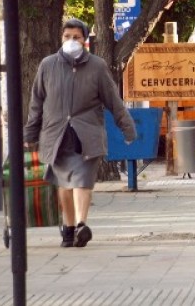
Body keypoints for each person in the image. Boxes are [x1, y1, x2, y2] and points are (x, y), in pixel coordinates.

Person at [24, 18, 136, 248]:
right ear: (61, 38)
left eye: (76, 37)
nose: (71, 41)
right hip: (57, 135)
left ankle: (82, 224)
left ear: (84, 40)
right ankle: (69, 227)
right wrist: (30, 133)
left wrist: (127, 127)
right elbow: (36, 102)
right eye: (67, 37)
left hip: (87, 136)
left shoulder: (97, 66)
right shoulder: (47, 65)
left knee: (82, 181)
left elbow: (113, 100)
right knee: (64, 184)